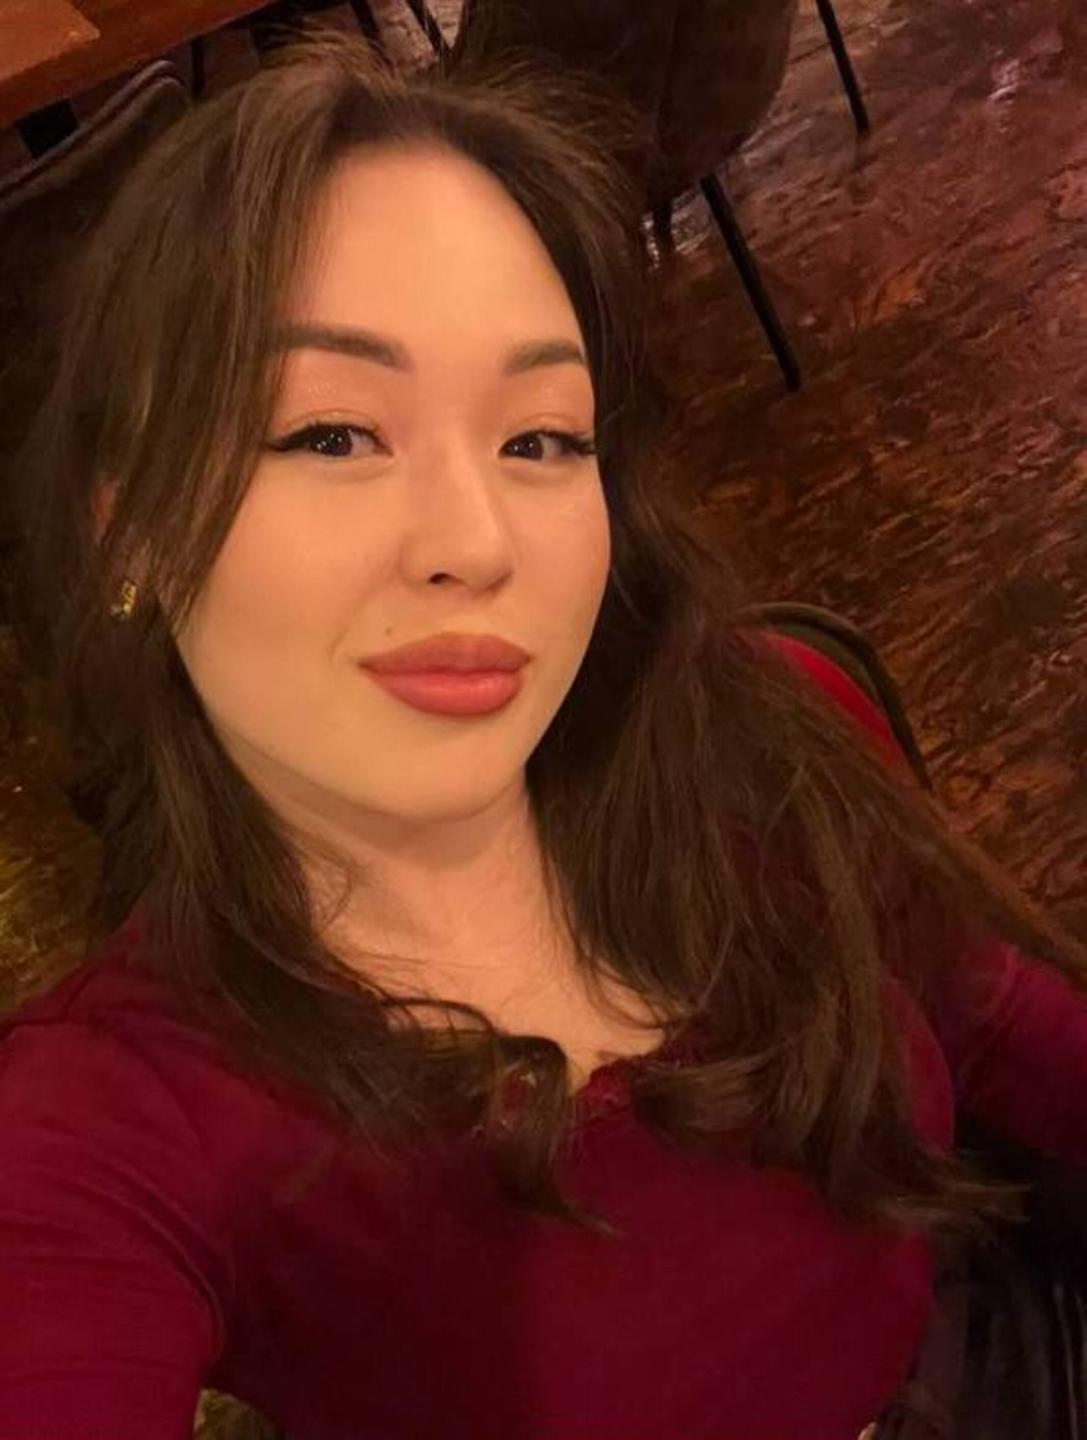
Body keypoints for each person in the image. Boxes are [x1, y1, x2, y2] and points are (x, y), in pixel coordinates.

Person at [2, 21, 1086, 1440]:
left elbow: (992, 1024)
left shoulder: (755, 730)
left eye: (540, 439)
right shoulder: (103, 1132)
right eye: (330, 433)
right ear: (130, 529)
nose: (479, 543)